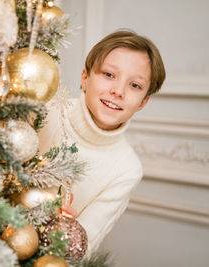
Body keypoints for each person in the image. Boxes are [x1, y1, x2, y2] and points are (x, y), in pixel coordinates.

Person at [38, 30, 166, 257]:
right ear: (85, 78)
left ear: (142, 103)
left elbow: (82, 246)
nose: (118, 91)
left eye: (134, 85)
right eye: (108, 74)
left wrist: (65, 234)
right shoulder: (46, 111)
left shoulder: (127, 170)